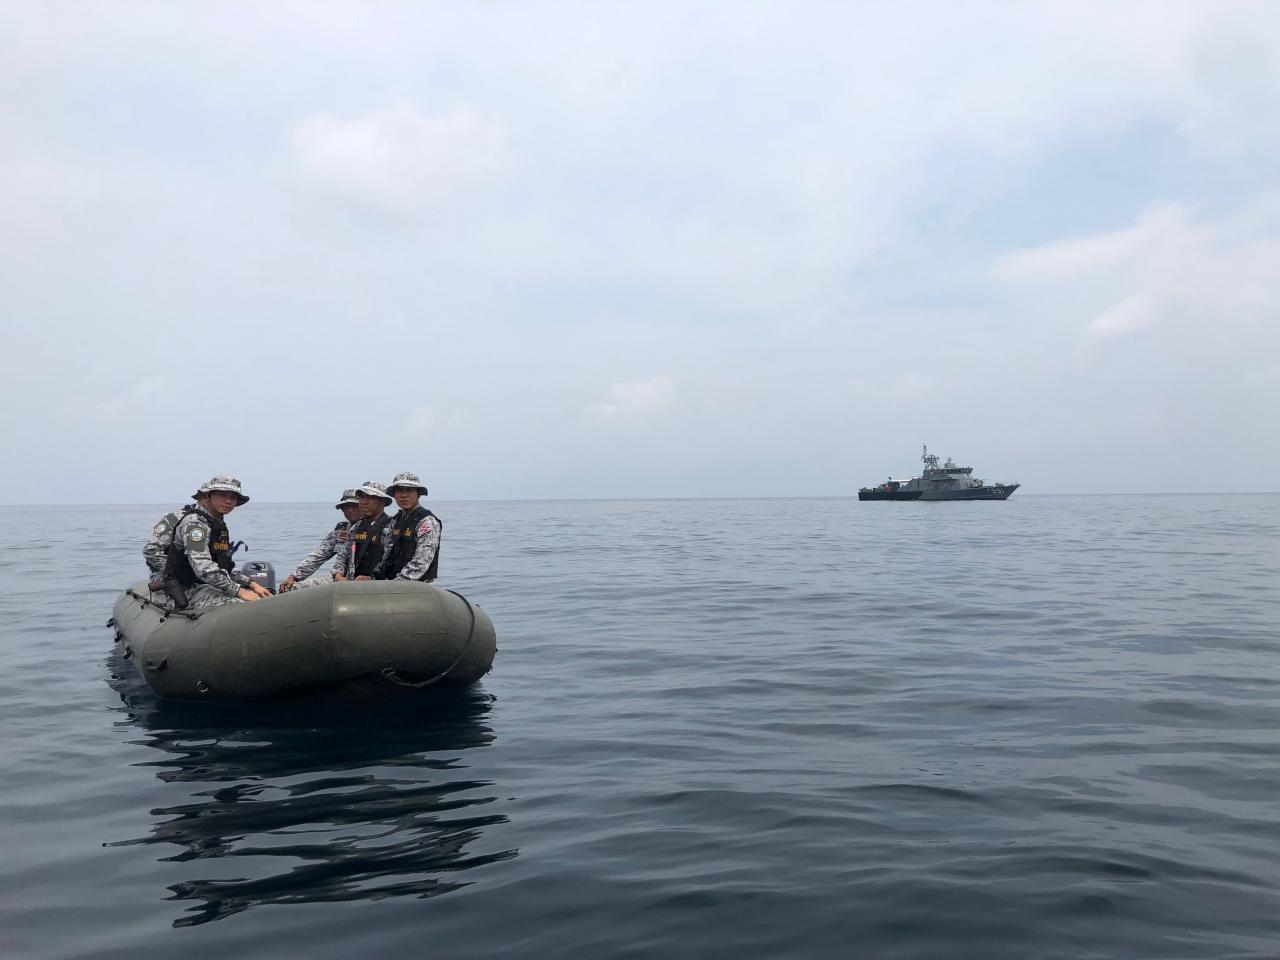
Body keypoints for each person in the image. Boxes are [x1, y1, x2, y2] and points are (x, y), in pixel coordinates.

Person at [163, 475, 271, 609]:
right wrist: (240, 591)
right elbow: (204, 569)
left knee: (262, 598)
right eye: (222, 495)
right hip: (187, 590)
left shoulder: (218, 526)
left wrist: (250, 583)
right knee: (247, 607)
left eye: (233, 497)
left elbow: (223, 565)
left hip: (208, 585)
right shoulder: (195, 525)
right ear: (208, 496)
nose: (228, 501)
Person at [278, 489, 362, 592]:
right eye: (346, 507)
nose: (350, 510)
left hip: (364, 579)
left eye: (354, 506)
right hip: (340, 577)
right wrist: (293, 577)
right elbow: (318, 556)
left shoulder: (372, 528)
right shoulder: (341, 530)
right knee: (291, 589)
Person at [143, 489, 207, 593]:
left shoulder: (215, 524)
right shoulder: (175, 518)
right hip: (170, 576)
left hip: (202, 574)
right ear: (200, 499)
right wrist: (176, 572)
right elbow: (151, 550)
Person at [383, 471, 442, 582]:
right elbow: (387, 553)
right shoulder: (395, 520)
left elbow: (421, 562)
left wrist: (395, 583)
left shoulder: (427, 522)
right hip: (391, 583)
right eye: (399, 491)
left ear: (418, 494)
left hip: (416, 586)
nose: (404, 495)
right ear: (394, 495)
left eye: (409, 490)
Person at [334, 481, 393, 581]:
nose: (364, 502)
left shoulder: (391, 527)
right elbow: (343, 555)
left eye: (370, 498)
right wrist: (338, 574)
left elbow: (392, 562)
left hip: (380, 583)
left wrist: (371, 578)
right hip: (352, 580)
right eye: (361, 497)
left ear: (382, 501)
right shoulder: (357, 527)